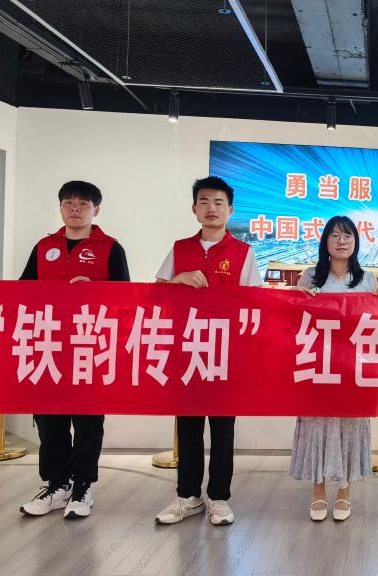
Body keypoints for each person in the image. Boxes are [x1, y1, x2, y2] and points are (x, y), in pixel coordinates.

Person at [0, 180, 130, 519]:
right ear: (60, 207)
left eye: (83, 204)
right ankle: (57, 484)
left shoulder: (111, 248)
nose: (75, 209)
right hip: (47, 346)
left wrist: (95, 290)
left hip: (89, 347)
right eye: (68, 203)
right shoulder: (44, 247)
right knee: (49, 420)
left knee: (87, 421)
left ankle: (82, 486)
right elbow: (21, 291)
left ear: (96, 210)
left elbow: (126, 299)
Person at [153, 176, 263, 526]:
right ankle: (188, 495)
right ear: (194, 208)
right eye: (204, 202)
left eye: (218, 203)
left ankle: (219, 497)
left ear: (230, 210)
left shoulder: (243, 253)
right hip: (186, 350)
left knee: (222, 429)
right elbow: (156, 294)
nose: (211, 208)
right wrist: (178, 280)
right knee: (187, 426)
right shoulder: (179, 248)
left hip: (226, 353)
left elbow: (255, 301)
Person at [290, 215, 378, 522]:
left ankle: (345, 491)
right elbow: (294, 319)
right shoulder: (310, 277)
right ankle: (317, 491)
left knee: (350, 424)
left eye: (347, 236)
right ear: (325, 241)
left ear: (356, 242)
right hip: (318, 366)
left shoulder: (368, 279)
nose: (341, 241)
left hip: (353, 368)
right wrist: (297, 298)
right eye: (335, 236)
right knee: (317, 425)